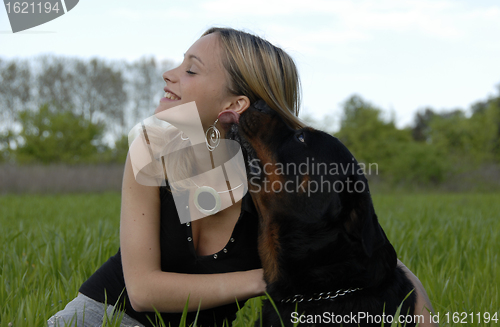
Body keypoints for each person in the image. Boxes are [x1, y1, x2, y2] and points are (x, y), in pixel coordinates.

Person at [47, 27, 436, 327]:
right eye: (179, 63)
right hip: (99, 317)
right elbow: (144, 291)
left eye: (190, 69)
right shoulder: (152, 150)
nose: (168, 74)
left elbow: (366, 251)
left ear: (235, 104)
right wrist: (268, 280)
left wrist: (419, 309)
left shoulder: (275, 185)